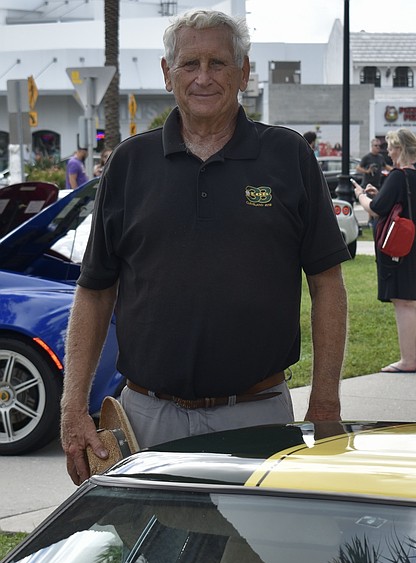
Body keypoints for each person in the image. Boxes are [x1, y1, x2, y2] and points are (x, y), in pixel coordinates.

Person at [60, 9, 349, 485]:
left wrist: (325, 400)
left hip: (258, 416)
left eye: (218, 63)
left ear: (244, 73)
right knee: (156, 557)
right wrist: (74, 407)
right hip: (145, 419)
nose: (203, 77)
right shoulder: (130, 163)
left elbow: (327, 283)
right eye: (189, 64)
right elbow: (93, 292)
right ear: (166, 73)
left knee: (253, 556)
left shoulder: (289, 156)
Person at [353, 128, 416, 373]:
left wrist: (360, 196)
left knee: (404, 303)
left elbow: (376, 208)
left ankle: (407, 360)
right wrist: (382, 195)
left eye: (390, 147)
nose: (388, 151)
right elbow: (401, 201)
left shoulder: (399, 175)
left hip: (402, 244)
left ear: (400, 149)